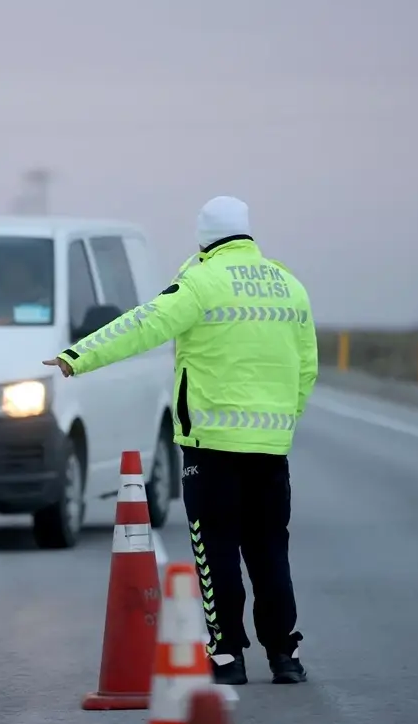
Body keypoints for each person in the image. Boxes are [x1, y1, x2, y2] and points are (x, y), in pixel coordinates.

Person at [42, 196, 317, 686]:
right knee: (271, 550)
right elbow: (307, 367)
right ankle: (284, 657)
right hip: (271, 449)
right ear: (247, 232)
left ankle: (228, 657)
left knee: (215, 551)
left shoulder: (201, 282)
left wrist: (76, 356)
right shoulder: (289, 286)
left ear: (204, 237)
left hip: (211, 446)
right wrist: (282, 422)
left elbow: (143, 325)